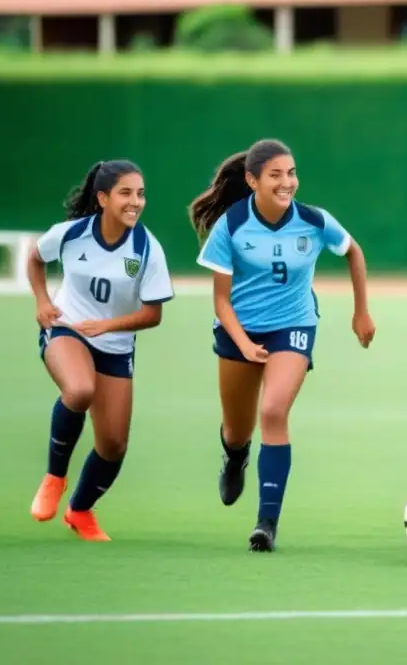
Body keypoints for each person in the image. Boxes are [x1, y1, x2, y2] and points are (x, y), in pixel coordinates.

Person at [189, 138, 375, 552]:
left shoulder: (313, 220)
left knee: (273, 411)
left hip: (293, 327)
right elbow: (221, 300)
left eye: (291, 173)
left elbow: (354, 252)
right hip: (238, 329)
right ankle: (235, 456)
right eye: (276, 174)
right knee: (237, 430)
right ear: (253, 180)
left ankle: (266, 523)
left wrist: (361, 312)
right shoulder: (232, 225)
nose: (287, 182)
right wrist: (243, 343)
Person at [28, 160, 174, 541]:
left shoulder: (147, 249)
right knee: (79, 390)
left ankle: (79, 511)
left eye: (140, 194)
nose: (135, 202)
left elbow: (152, 314)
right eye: (126, 193)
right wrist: (42, 300)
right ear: (103, 197)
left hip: (114, 345)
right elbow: (34, 258)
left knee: (113, 445)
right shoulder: (71, 234)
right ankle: (54, 477)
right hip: (67, 330)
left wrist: (108, 325)